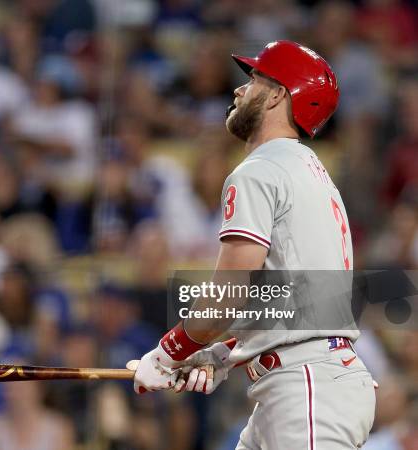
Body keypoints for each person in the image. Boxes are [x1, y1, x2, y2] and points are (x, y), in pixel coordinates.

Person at [128, 41, 377, 449]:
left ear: (279, 94)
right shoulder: (311, 172)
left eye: (255, 79)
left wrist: (168, 351)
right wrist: (221, 353)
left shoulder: (260, 170)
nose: (239, 90)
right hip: (306, 383)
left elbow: (227, 296)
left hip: (307, 388)